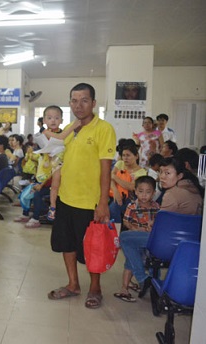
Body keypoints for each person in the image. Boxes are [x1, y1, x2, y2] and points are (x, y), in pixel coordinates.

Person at [47, 83, 116, 310]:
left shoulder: (103, 129)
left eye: (84, 100)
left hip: (90, 202)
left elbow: (105, 169)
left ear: (94, 103)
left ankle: (95, 288)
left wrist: (103, 202)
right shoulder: (69, 128)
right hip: (66, 199)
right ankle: (73, 284)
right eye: (74, 100)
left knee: (92, 249)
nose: (79, 105)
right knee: (67, 244)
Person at [120, 157, 204, 298]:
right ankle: (145, 280)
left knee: (125, 238)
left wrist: (148, 226)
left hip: (167, 244)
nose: (162, 177)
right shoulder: (197, 192)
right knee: (134, 245)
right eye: (161, 172)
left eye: (167, 173)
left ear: (179, 176)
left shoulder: (172, 194)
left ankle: (142, 278)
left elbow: (158, 225)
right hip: (190, 245)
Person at [14, 106, 80, 228]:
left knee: (55, 184)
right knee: (37, 188)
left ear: (61, 120)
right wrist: (75, 124)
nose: (53, 120)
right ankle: (44, 210)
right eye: (49, 118)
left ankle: (52, 207)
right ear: (44, 120)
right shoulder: (45, 132)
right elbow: (61, 138)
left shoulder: (64, 132)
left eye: (56, 118)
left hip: (60, 162)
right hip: (48, 165)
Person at [114, 176, 160, 302]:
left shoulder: (156, 207)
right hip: (135, 239)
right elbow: (126, 222)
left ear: (154, 193)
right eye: (140, 191)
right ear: (135, 191)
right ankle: (124, 287)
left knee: (153, 261)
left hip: (148, 239)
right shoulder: (132, 206)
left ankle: (152, 286)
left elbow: (159, 224)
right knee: (130, 262)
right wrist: (135, 230)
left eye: (148, 192)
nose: (144, 195)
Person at [108, 145, 147, 230]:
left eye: (128, 155)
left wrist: (115, 177)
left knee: (113, 208)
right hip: (114, 193)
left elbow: (131, 187)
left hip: (130, 198)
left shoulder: (141, 172)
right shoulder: (120, 163)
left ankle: (116, 234)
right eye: (123, 155)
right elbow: (110, 177)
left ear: (136, 156)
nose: (125, 158)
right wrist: (115, 191)